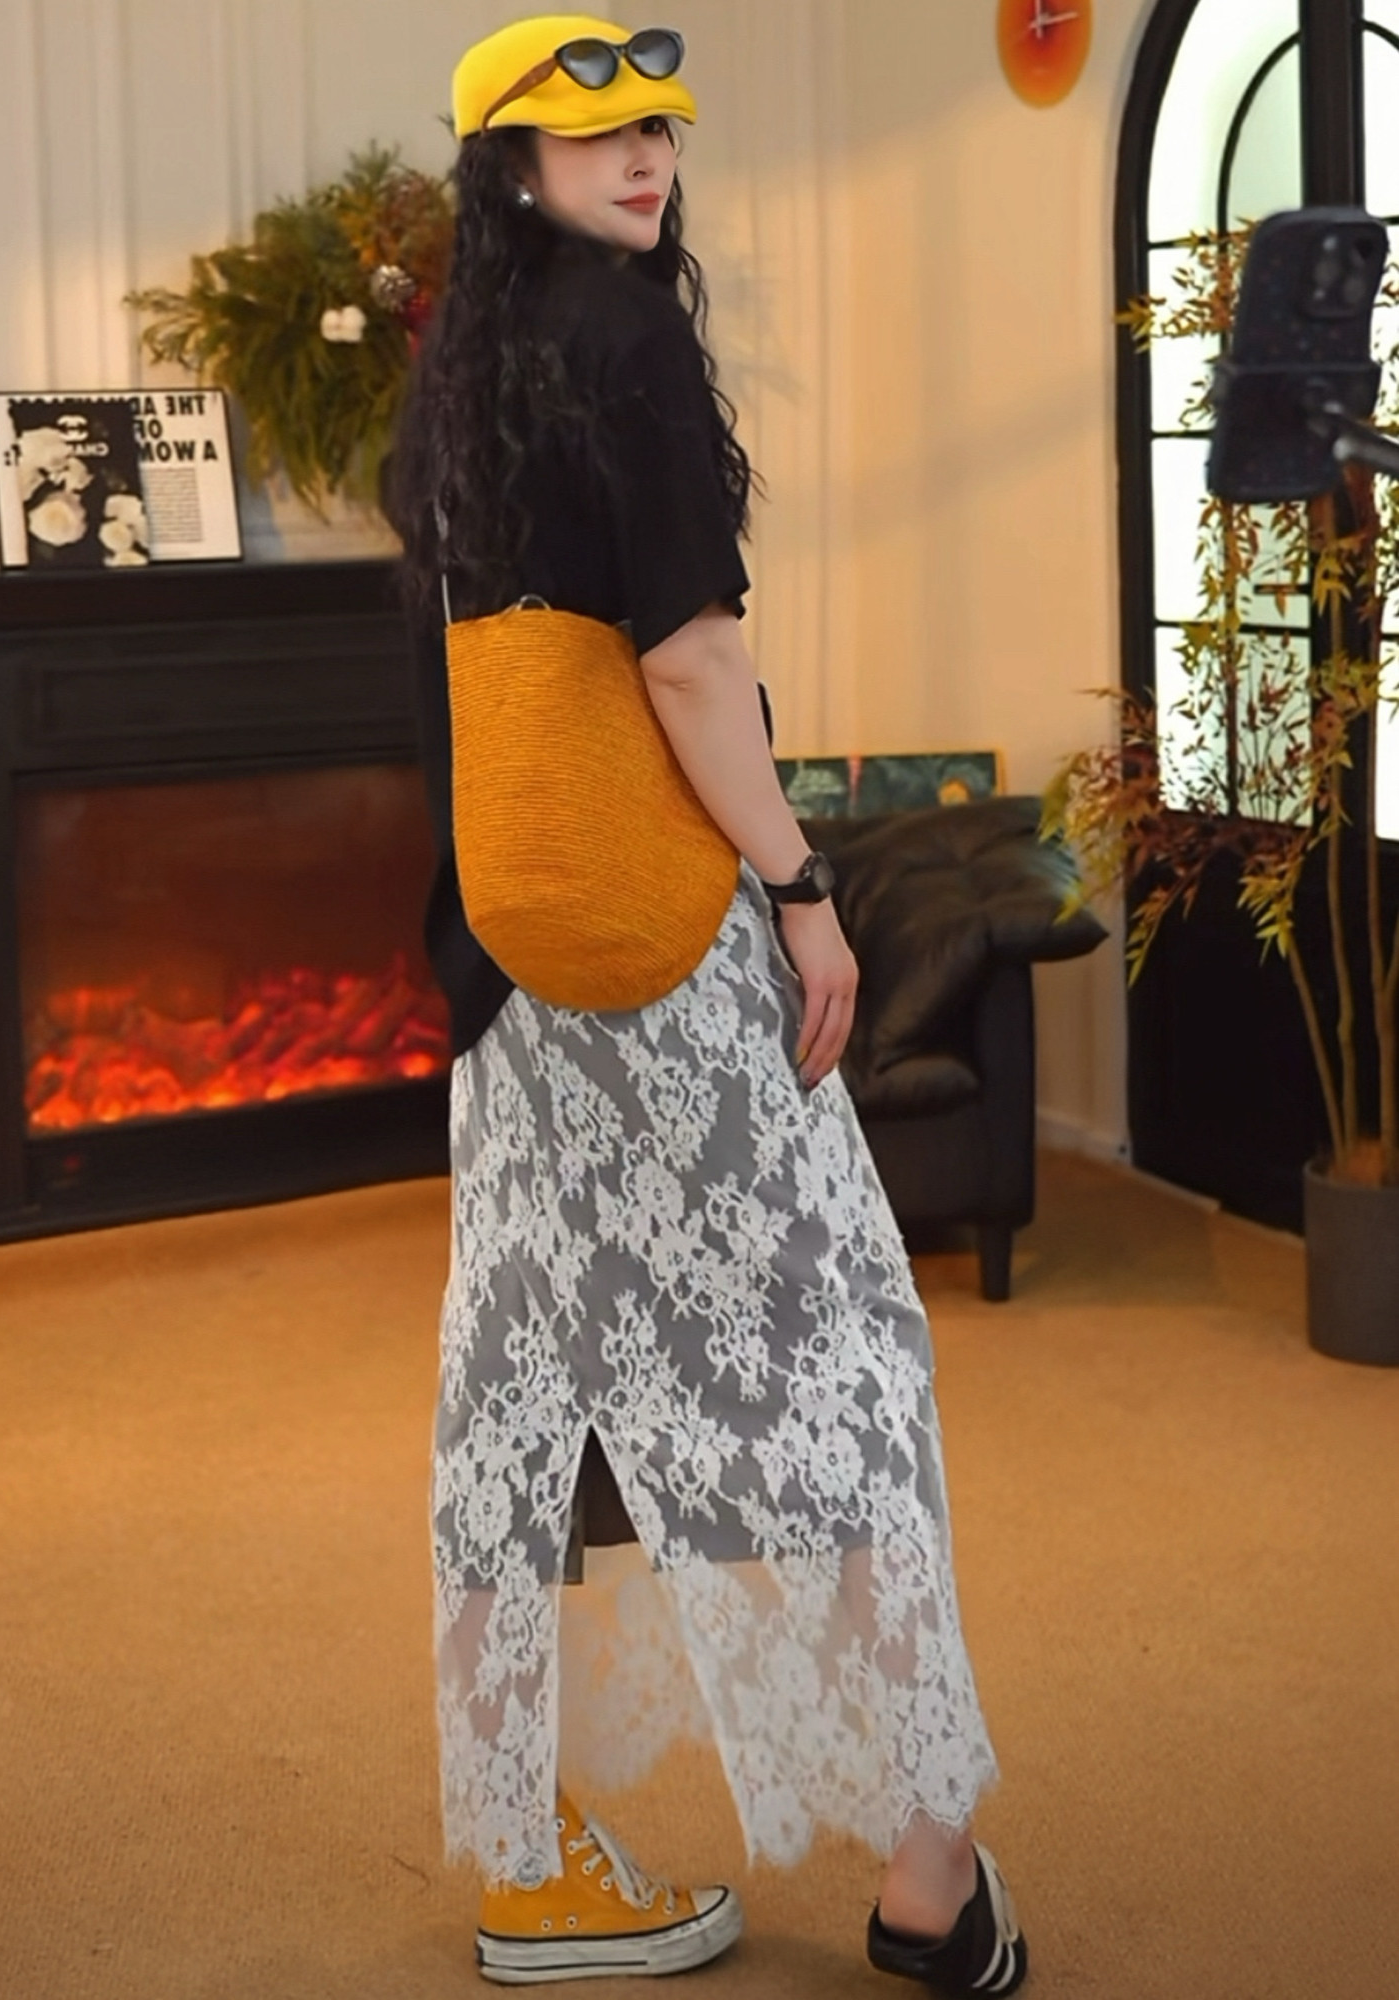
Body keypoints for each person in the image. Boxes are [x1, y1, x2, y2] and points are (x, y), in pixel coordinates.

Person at [388, 15, 1028, 1992]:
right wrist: (806, 892)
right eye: (593, 133)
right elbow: (686, 666)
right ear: (510, 163)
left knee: (515, 1394)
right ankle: (929, 1876)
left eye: (656, 125)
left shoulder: (461, 364)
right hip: (660, 958)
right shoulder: (630, 340)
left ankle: (526, 1855)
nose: (644, 155)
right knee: (841, 1349)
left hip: (511, 966)